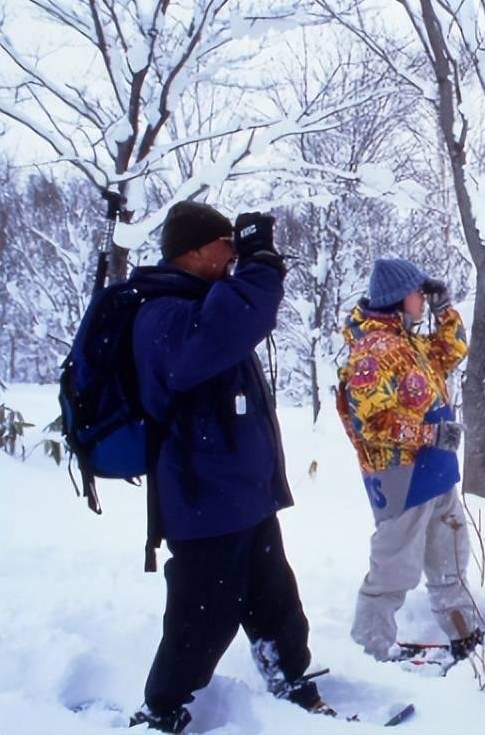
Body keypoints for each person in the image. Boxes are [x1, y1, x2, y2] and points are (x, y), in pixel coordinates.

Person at [127, 201, 330, 733]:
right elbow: (242, 315)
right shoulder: (163, 313)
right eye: (226, 245)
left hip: (241, 493)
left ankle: (288, 678)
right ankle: (160, 710)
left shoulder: (200, 303)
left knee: (275, 600)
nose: (235, 254)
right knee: (202, 616)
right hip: (202, 499)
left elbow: (236, 317)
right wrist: (261, 262)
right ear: (193, 251)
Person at [336, 257, 484, 663]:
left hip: (436, 475)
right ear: (401, 298)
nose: (423, 298)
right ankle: (368, 655)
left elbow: (452, 350)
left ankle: (465, 637)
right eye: (419, 293)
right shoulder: (373, 352)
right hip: (402, 479)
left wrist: (444, 309)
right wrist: (430, 435)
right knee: (393, 572)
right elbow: (373, 423)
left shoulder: (408, 343)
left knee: (449, 562)